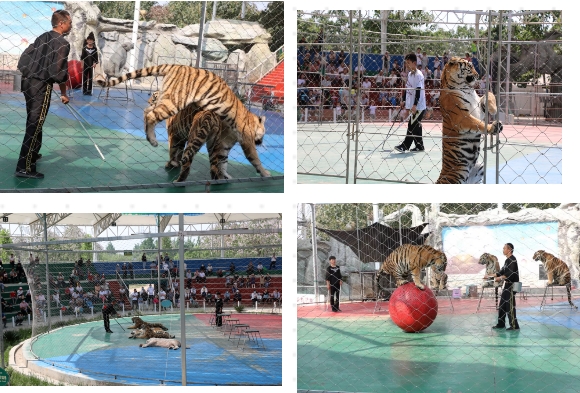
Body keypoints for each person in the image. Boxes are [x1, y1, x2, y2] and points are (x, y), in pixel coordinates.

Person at [15, 10, 72, 179]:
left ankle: (33, 153)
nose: (71, 26)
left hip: (28, 83)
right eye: (69, 22)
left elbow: (25, 58)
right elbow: (59, 72)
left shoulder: (42, 37)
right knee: (35, 122)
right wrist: (63, 93)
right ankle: (24, 167)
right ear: (61, 23)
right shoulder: (62, 43)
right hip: (41, 85)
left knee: (33, 119)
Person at [394, 53, 427, 153]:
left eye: (408, 63)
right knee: (416, 125)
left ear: (414, 63)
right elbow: (407, 89)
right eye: (406, 63)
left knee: (411, 125)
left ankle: (405, 146)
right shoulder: (409, 74)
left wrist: (415, 105)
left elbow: (418, 90)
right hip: (413, 104)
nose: (407, 65)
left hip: (419, 106)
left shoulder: (418, 75)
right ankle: (419, 145)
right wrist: (403, 100)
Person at [489, 243, 520, 330]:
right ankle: (501, 324)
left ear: (509, 250)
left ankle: (514, 326)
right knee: (502, 305)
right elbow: (502, 271)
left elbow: (511, 274)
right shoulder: (507, 260)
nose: (503, 250)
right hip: (506, 286)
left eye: (504, 248)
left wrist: (500, 278)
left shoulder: (513, 260)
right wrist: (490, 276)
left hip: (511, 286)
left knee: (510, 306)